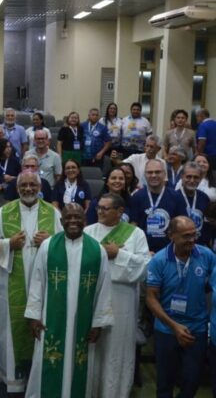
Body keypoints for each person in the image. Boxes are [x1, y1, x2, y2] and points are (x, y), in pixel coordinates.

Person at [0, 171, 62, 394]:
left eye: (32, 184)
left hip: (44, 285)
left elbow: (67, 244)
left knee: (43, 327)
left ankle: (39, 379)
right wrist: (8, 243)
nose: (28, 189)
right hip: (11, 284)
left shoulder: (53, 212)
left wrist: (51, 241)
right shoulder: (4, 212)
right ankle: (12, 381)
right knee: (10, 331)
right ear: (17, 188)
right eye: (24, 185)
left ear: (40, 187)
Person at [25, 203, 114, 398]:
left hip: (83, 322)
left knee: (80, 366)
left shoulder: (97, 250)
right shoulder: (48, 246)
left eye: (77, 217)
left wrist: (98, 323)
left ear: (85, 220)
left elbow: (103, 288)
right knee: (47, 365)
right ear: (61, 221)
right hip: (51, 320)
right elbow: (37, 281)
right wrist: (33, 315)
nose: (73, 221)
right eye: (68, 217)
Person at [85, 193, 150, 398]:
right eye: (99, 208)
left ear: (120, 211)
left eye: (105, 208)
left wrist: (118, 254)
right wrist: (103, 254)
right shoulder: (88, 232)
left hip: (122, 301)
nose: (100, 211)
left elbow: (144, 267)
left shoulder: (135, 234)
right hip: (93, 299)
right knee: (94, 350)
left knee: (118, 349)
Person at [146, 216, 215, 398]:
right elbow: (151, 297)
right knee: (164, 383)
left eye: (194, 235)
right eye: (186, 236)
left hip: (197, 328)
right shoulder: (159, 260)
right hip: (166, 329)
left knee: (192, 382)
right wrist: (174, 326)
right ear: (171, 236)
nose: (192, 240)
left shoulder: (206, 255)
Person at [129, 159, 187, 253]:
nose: (153, 175)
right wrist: (140, 250)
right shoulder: (137, 197)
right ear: (145, 175)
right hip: (143, 251)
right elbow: (133, 226)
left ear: (164, 174)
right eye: (150, 172)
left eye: (157, 172)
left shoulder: (176, 197)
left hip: (169, 251)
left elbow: (181, 226)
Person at [176, 162, 212, 247]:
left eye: (196, 177)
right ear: (182, 177)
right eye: (188, 177)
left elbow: (208, 225)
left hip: (200, 246)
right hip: (179, 247)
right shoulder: (173, 197)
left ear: (200, 178)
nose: (192, 180)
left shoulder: (204, 198)